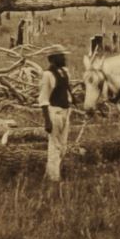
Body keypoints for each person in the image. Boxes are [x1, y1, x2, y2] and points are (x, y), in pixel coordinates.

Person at [38, 51, 72, 182]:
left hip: (65, 111)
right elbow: (43, 99)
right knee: (54, 146)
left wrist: (72, 100)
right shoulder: (47, 75)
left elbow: (66, 90)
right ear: (52, 59)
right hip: (54, 113)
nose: (64, 58)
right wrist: (47, 120)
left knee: (63, 146)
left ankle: (50, 173)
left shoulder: (64, 72)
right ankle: (54, 179)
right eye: (61, 56)